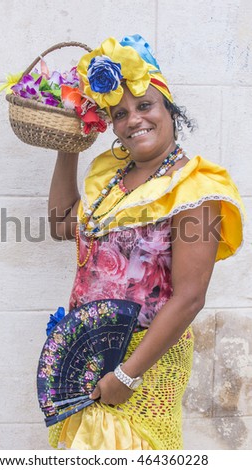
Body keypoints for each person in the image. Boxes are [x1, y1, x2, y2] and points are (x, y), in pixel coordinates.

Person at [47, 35, 245, 450]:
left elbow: (190, 297)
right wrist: (69, 144)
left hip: (146, 356)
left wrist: (127, 374)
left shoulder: (196, 187)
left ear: (169, 110)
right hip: (86, 348)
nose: (133, 119)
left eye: (145, 106)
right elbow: (63, 224)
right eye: (119, 114)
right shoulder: (113, 179)